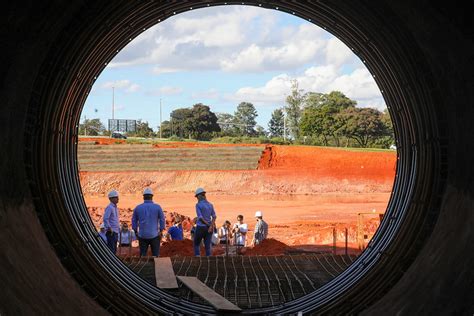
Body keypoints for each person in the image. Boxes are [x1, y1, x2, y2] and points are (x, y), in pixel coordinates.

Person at [132, 188, 165, 257]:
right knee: (156, 256)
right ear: (152, 197)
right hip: (155, 235)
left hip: (142, 235)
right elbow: (162, 219)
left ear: (143, 197)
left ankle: (143, 267)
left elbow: (134, 220)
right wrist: (161, 230)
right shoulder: (157, 207)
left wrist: (135, 231)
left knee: (143, 256)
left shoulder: (138, 208)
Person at [193, 187, 217, 257]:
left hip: (201, 227)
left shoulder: (198, 205)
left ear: (200, 196)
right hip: (209, 229)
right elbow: (214, 216)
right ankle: (208, 260)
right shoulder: (210, 205)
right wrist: (211, 225)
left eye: (197, 196)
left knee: (196, 244)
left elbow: (200, 218)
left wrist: (208, 225)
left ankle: (197, 257)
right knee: (207, 245)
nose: (197, 198)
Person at [103, 190, 120, 254]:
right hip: (111, 232)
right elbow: (105, 218)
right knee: (111, 250)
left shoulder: (115, 208)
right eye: (116, 197)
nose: (118, 199)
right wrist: (109, 228)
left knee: (114, 250)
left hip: (115, 232)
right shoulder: (109, 208)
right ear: (111, 198)